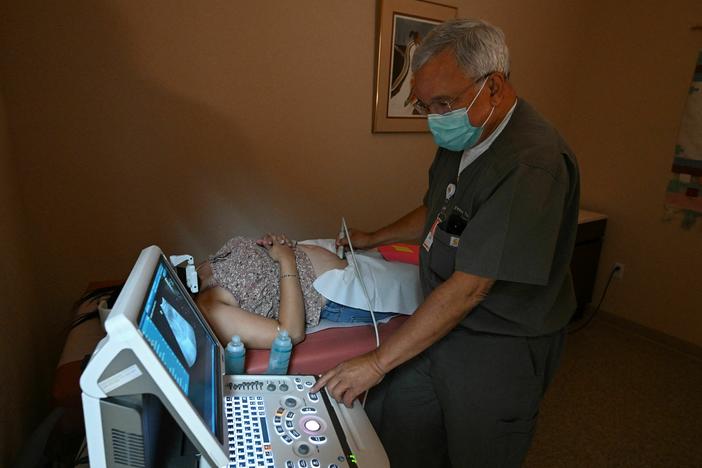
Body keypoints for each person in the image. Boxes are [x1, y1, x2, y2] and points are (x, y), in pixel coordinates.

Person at [311, 18, 580, 467]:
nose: (436, 118)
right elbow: (442, 212)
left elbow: (471, 287)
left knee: (479, 448)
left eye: (443, 103)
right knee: (400, 416)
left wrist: (376, 362)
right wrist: (375, 236)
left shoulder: (532, 163)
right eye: (426, 106)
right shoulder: (468, 133)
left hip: (501, 339)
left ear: (492, 87)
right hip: (446, 321)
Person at [196, 234, 407, 349]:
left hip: (338, 255)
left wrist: (273, 245)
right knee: (424, 289)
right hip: (341, 292)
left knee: (424, 271)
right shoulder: (211, 310)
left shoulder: (197, 271)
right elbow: (290, 333)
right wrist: (286, 258)